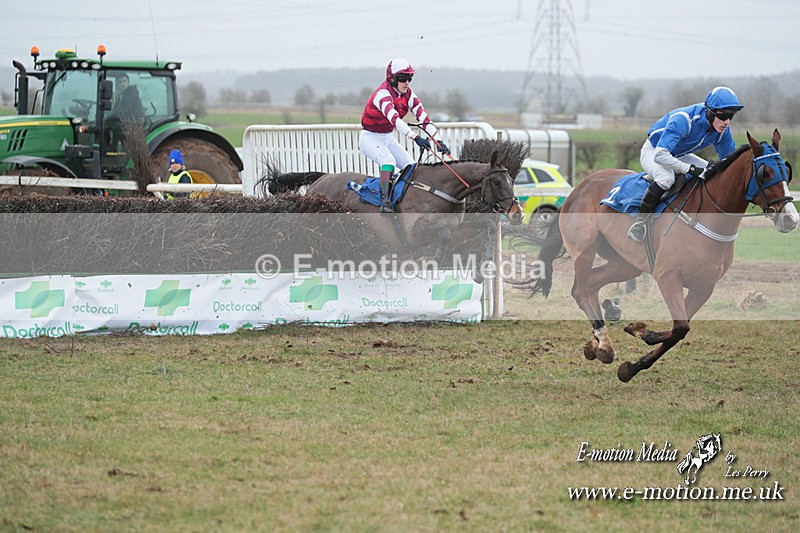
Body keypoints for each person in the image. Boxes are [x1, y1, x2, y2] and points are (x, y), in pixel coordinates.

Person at [628, 86, 743, 242]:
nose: (727, 122)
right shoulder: (683, 120)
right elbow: (660, 156)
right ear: (709, 112)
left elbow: (729, 161)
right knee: (666, 178)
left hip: (680, 155)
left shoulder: (722, 130)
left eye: (731, 116)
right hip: (654, 151)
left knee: (713, 173)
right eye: (724, 116)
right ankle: (639, 223)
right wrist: (690, 169)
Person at [359, 58, 450, 213]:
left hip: (387, 137)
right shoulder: (382, 94)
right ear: (392, 79)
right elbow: (395, 119)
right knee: (388, 161)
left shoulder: (408, 94)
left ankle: (408, 201)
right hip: (370, 138)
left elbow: (423, 118)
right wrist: (415, 137)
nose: (407, 82)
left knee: (411, 166)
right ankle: (385, 202)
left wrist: (438, 140)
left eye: (409, 78)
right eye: (402, 79)